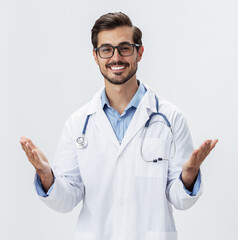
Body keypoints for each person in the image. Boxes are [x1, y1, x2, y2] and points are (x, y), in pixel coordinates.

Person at [19, 12, 218, 240]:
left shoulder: (171, 118)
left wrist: (189, 175)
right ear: (96, 56)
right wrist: (47, 176)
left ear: (139, 52)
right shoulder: (78, 123)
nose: (116, 57)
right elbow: (67, 199)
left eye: (125, 48)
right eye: (106, 49)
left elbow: (180, 198)